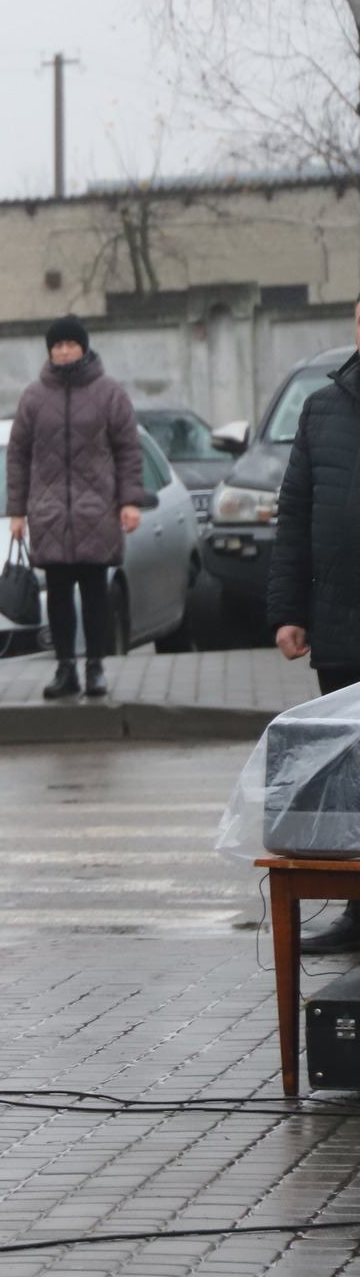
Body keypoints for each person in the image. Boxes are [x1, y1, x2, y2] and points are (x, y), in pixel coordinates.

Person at [270, 297, 360, 953]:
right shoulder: (322, 407)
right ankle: (358, 917)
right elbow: (294, 514)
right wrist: (290, 612)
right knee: (349, 781)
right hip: (339, 619)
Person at [6, 315, 145, 700]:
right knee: (59, 595)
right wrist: (16, 512)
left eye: (70, 344)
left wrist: (130, 501)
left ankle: (96, 667)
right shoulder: (34, 396)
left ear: (84, 347)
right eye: (57, 345)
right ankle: (65, 667)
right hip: (49, 513)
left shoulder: (109, 393)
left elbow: (128, 450)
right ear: (50, 351)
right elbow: (17, 454)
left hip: (96, 510)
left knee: (96, 592)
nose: (64, 351)